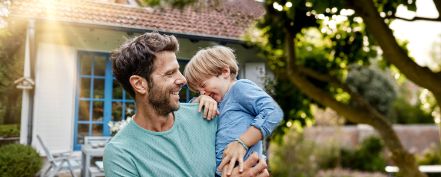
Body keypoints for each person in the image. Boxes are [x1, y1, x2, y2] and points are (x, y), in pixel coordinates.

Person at [103, 32, 269, 177]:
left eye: (178, 69)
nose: (183, 79)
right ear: (140, 84)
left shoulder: (206, 114)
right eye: (169, 73)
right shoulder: (121, 153)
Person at [184, 46, 283, 176]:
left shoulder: (239, 88)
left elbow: (273, 111)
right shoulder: (217, 102)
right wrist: (199, 99)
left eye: (203, 85)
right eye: (198, 91)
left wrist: (242, 143)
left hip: (248, 170)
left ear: (225, 72)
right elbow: (186, 111)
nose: (203, 92)